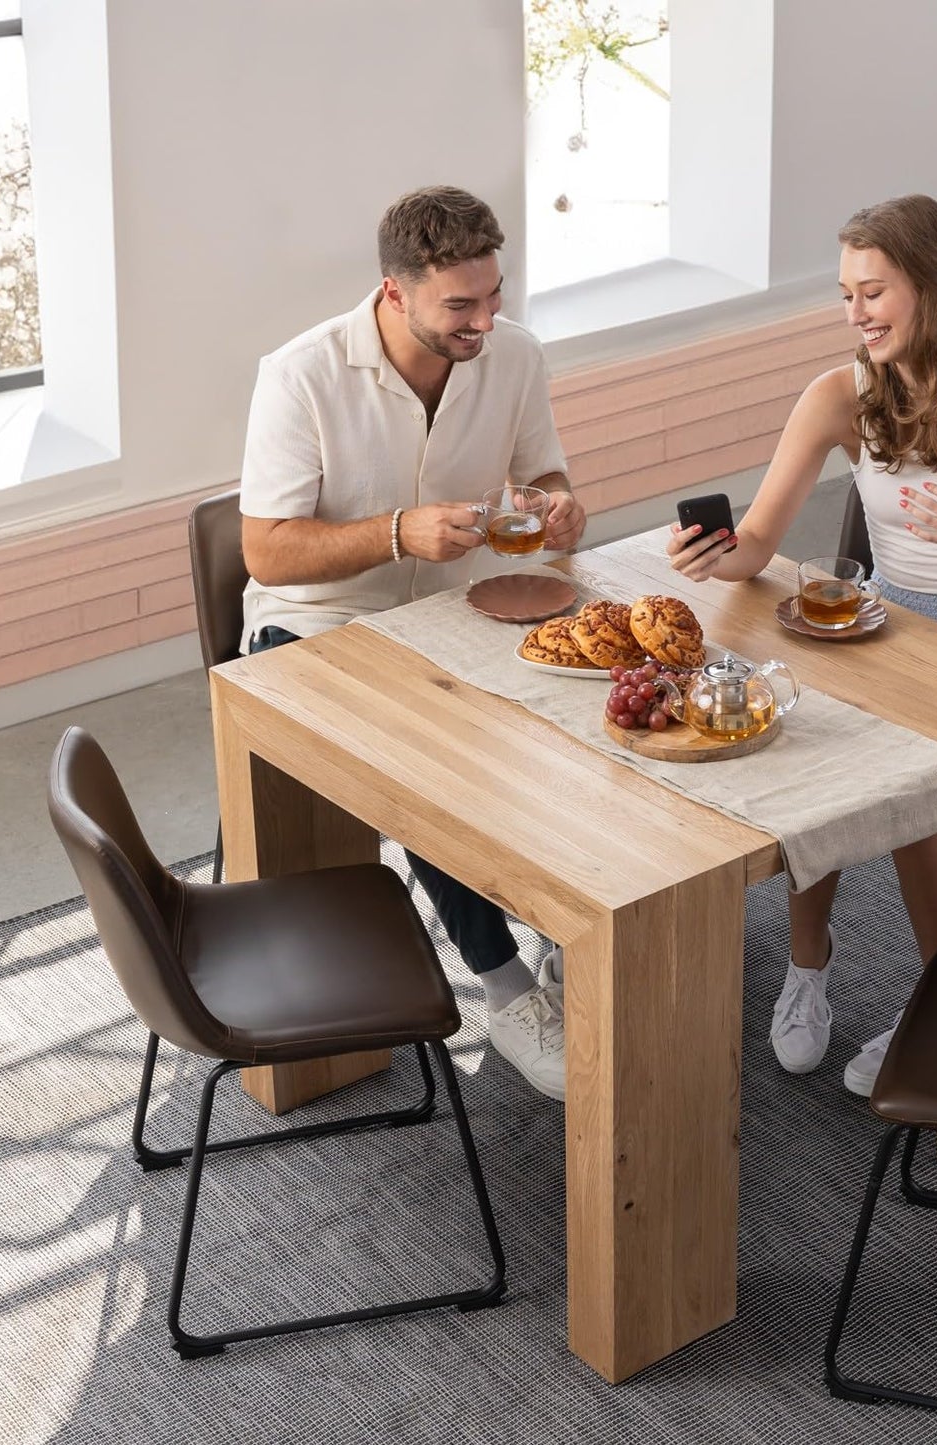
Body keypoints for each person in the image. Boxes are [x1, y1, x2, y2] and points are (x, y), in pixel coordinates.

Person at [666, 194, 937, 1097]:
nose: (855, 314)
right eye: (846, 295)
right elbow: (757, 542)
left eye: (873, 292)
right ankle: (807, 965)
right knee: (810, 756)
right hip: (892, 632)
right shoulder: (837, 395)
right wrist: (713, 554)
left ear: (932, 285)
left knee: (910, 793)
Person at [239, 185, 586, 1102]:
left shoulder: (513, 354)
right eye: (460, 305)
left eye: (494, 295)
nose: (486, 321)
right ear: (395, 292)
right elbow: (266, 550)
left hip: (455, 610)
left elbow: (544, 473)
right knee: (423, 758)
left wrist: (559, 505)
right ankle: (506, 988)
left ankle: (572, 930)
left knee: (584, 706)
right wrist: (398, 532)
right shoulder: (301, 374)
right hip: (312, 625)